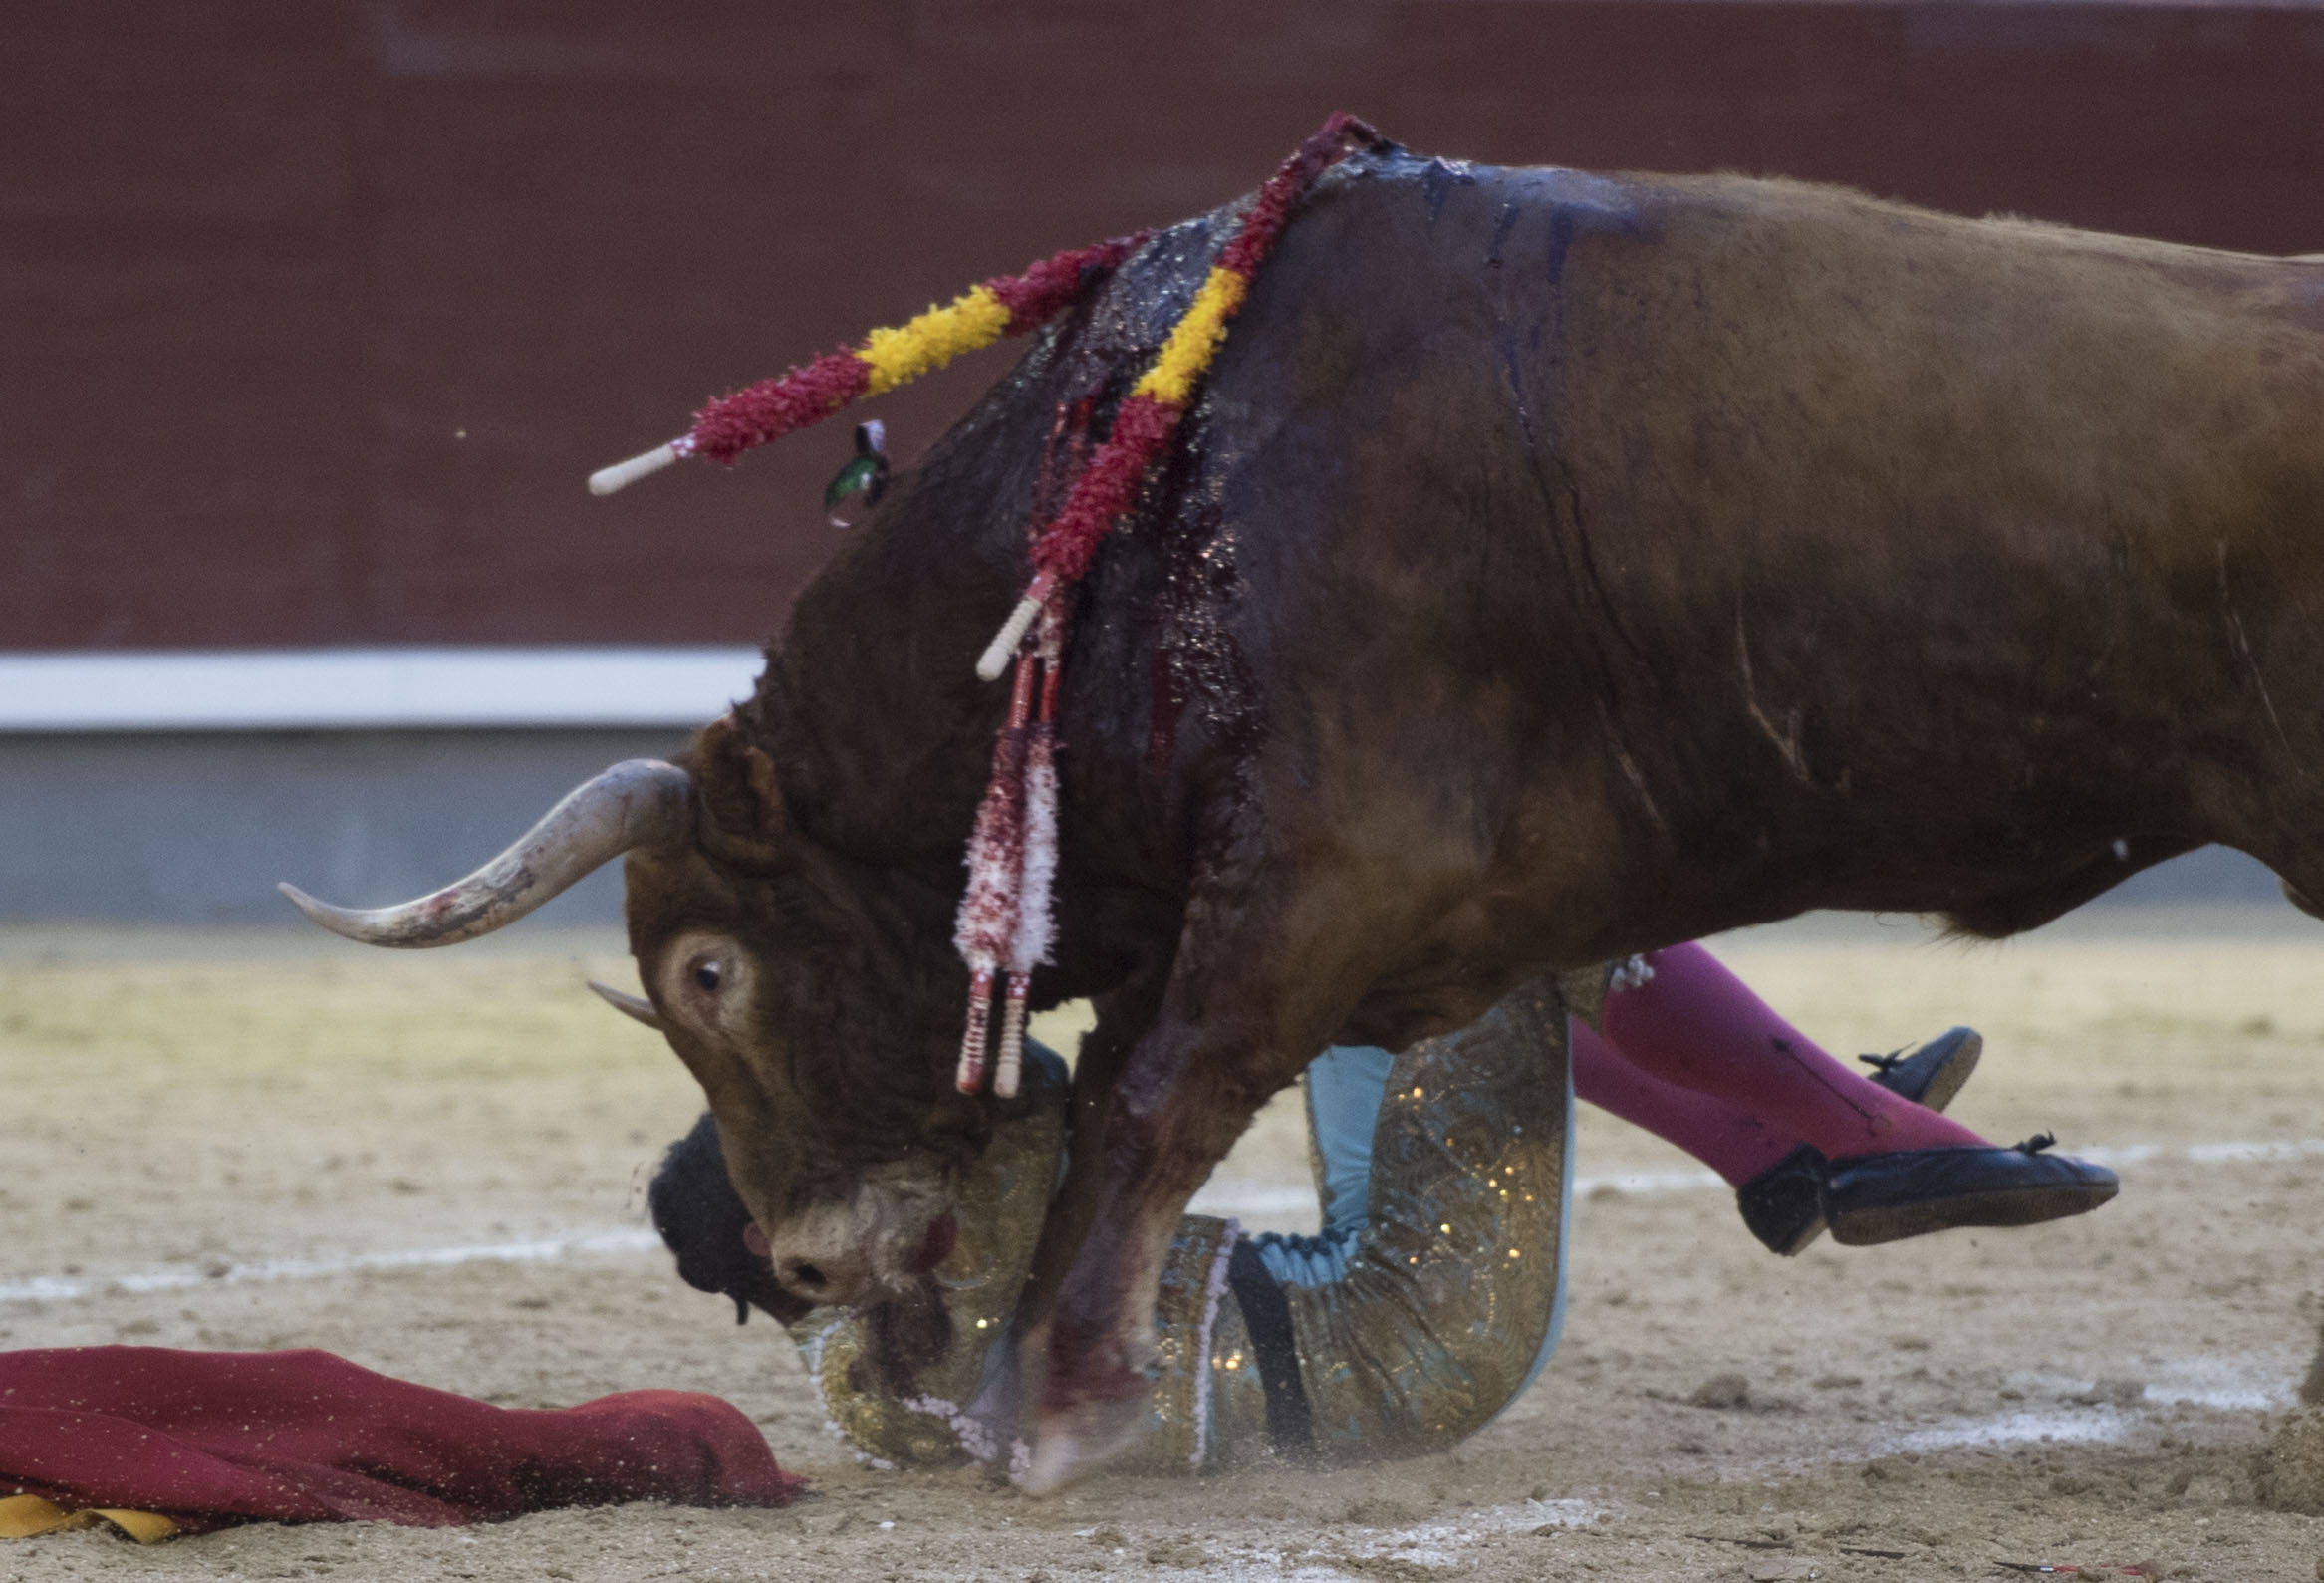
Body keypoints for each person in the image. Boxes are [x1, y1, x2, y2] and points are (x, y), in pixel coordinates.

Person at [644, 949, 2114, 1474]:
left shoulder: (855, 1373)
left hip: (1377, 1322)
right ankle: (1852, 1133)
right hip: (1418, 1307)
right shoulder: (946, 1252)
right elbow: (1019, 1080)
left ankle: (1768, 1145)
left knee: (1378, 951)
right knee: (1465, 901)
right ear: (803, 1250)